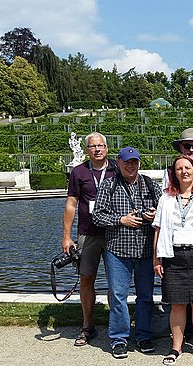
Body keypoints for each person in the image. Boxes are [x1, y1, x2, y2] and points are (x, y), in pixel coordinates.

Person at [92, 147, 162, 359]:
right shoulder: (109, 185)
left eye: (134, 162)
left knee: (145, 296)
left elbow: (166, 212)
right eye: (127, 162)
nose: (131, 166)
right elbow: (97, 216)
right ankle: (119, 338)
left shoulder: (150, 184)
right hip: (118, 250)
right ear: (118, 163)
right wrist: (120, 220)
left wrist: (155, 216)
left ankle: (143, 335)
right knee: (118, 296)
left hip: (145, 250)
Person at [153, 156, 193, 365]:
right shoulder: (165, 198)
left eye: (188, 168)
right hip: (173, 257)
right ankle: (176, 347)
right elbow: (158, 229)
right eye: (179, 168)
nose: (184, 172)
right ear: (174, 173)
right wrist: (157, 258)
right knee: (177, 305)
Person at [61, 132, 116, 346]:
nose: (97, 149)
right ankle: (87, 325)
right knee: (86, 278)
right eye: (93, 146)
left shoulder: (116, 169)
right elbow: (71, 204)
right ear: (87, 150)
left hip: (113, 233)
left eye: (101, 145)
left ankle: (116, 325)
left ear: (107, 148)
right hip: (88, 233)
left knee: (116, 281)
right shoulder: (79, 172)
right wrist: (66, 236)